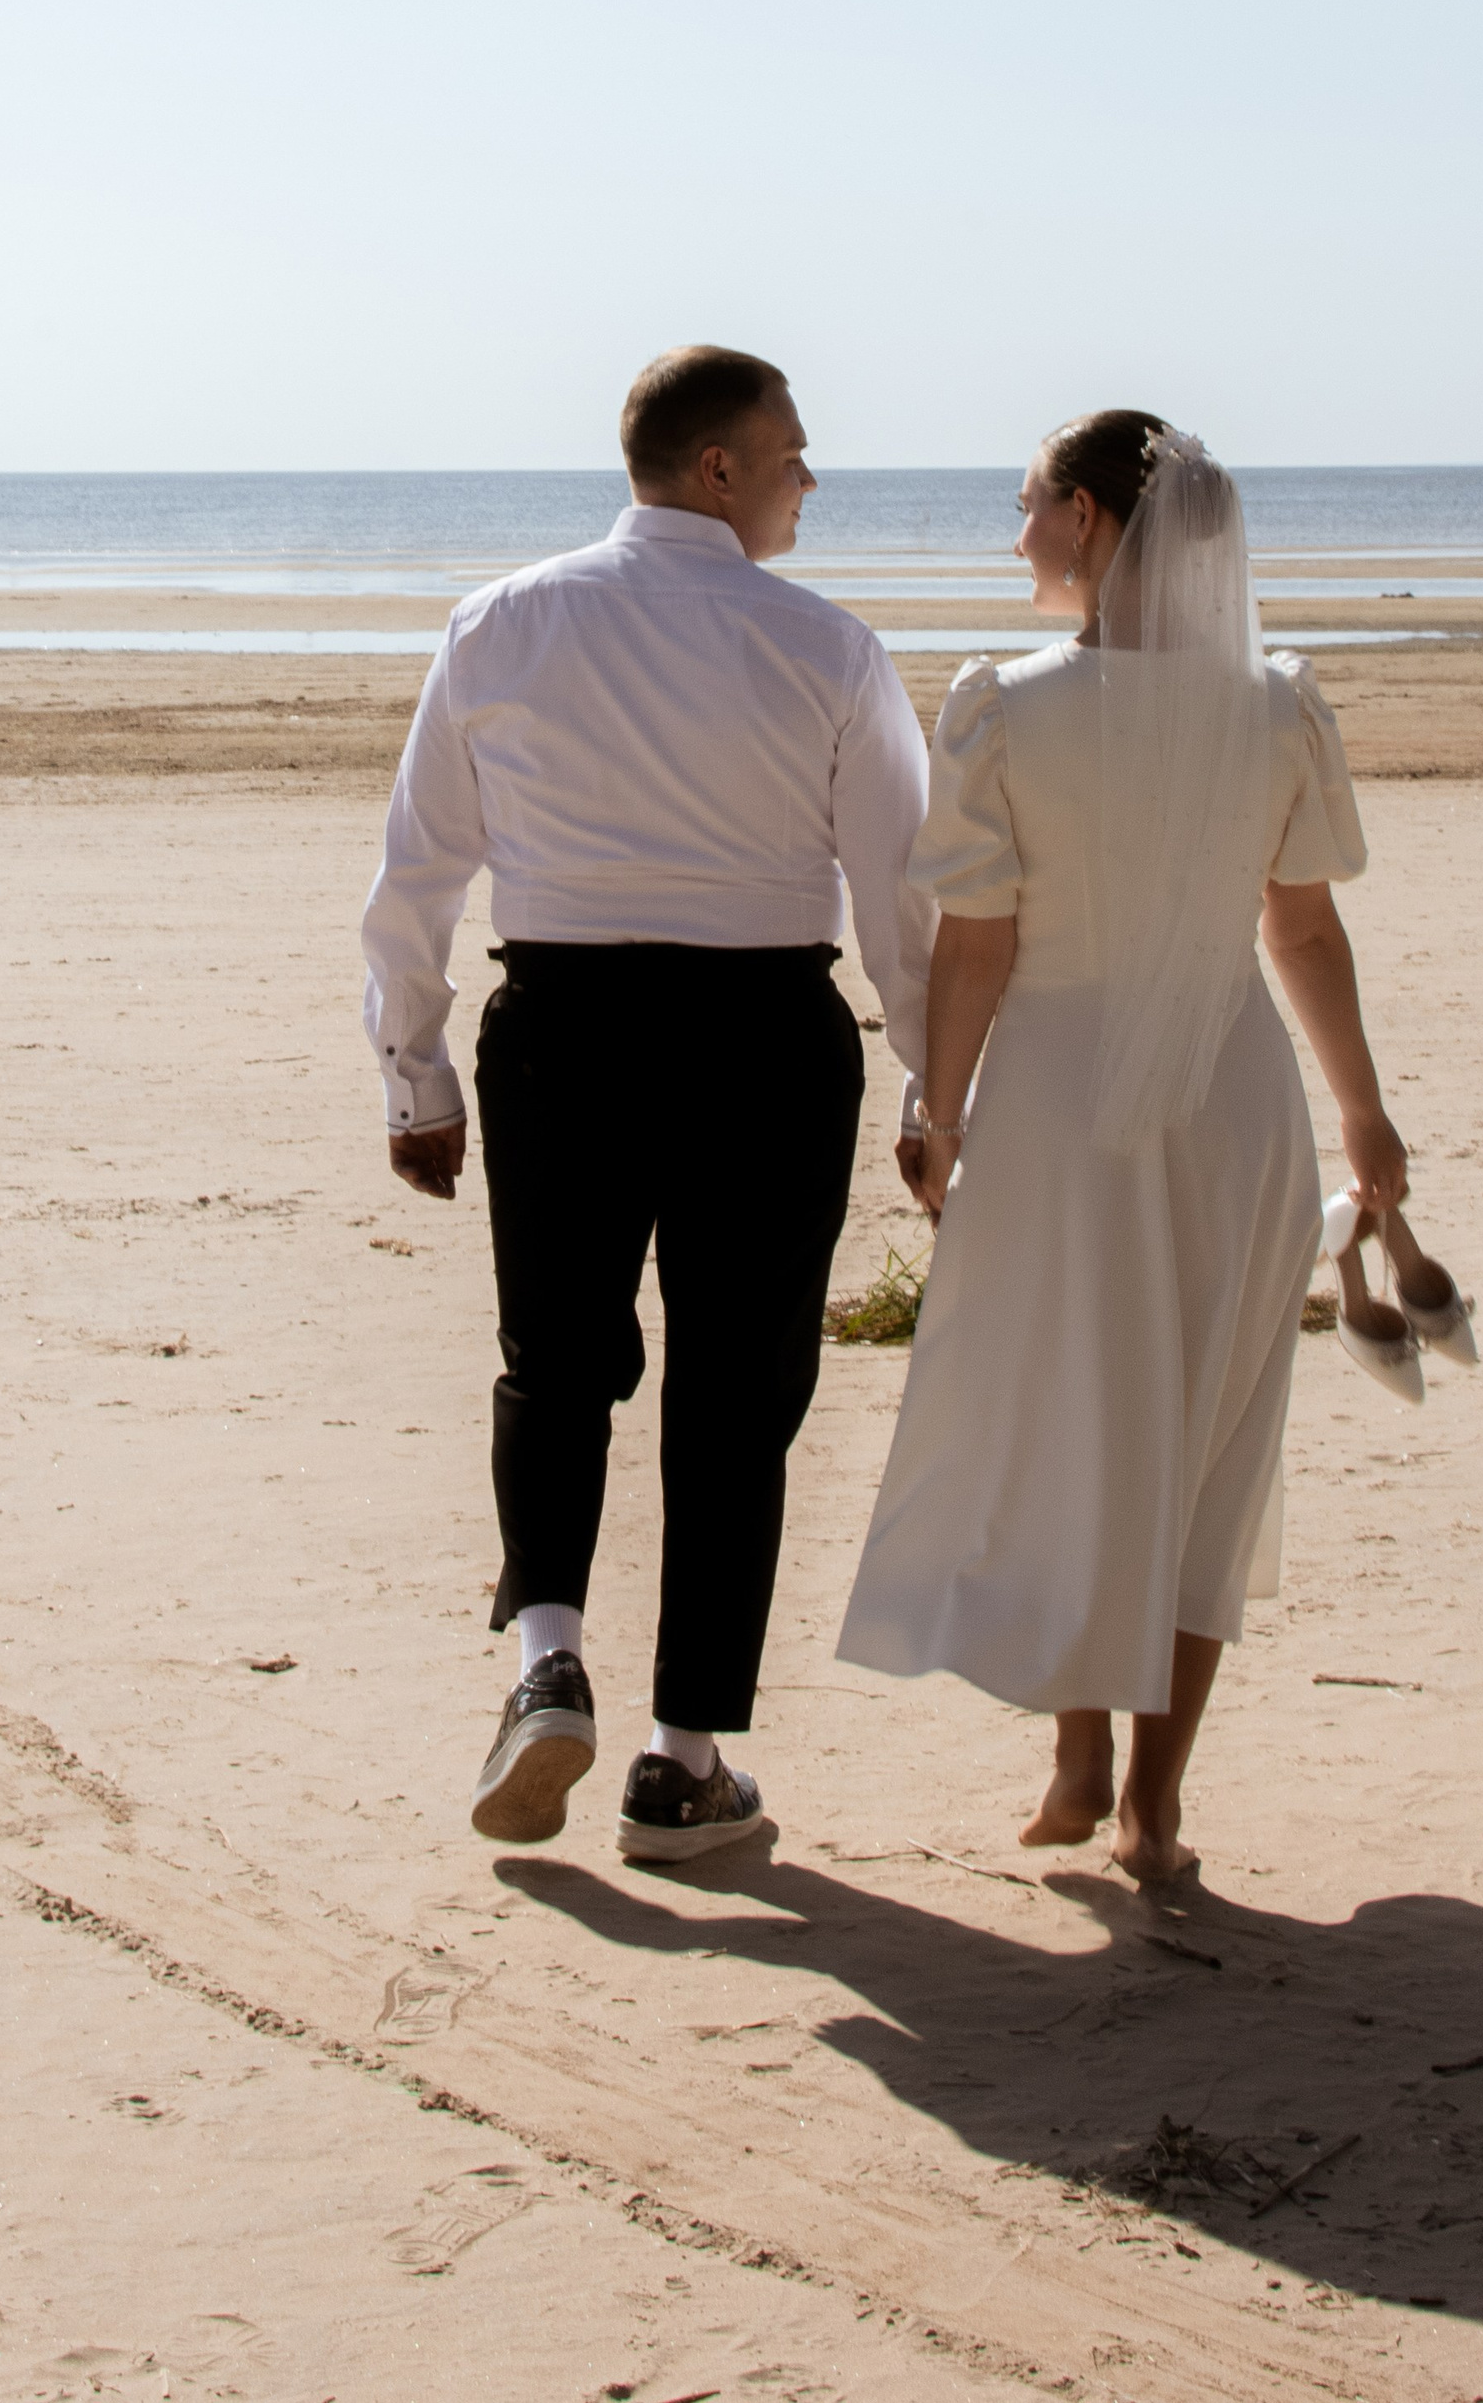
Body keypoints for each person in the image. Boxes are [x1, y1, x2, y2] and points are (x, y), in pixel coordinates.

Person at [361, 347, 934, 1863]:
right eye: (795, 453)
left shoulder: (502, 619)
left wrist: (414, 1072)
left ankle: (548, 1653)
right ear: (719, 469)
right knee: (737, 1393)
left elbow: (417, 868)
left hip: (563, 1026)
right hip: (762, 1033)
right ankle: (683, 1761)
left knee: (555, 1360)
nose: (813, 478)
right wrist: (939, 1079)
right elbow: (901, 897)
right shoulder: (829, 646)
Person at [835, 412, 1406, 1879]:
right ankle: (1146, 1791)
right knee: (1209, 1437)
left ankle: (1086, 1753)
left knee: (1078, 1417)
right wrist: (1361, 1110)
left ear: (1090, 518)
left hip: (1056, 1100)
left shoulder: (1007, 706)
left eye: (1026, 502)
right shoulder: (1276, 705)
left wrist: (940, 1110)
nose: (1013, 528)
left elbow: (977, 943)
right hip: (1236, 1094)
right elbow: (1303, 926)